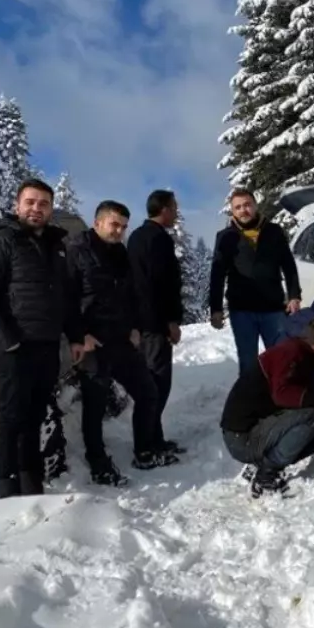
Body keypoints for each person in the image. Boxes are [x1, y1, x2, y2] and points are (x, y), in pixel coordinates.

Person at [0, 178, 82, 499]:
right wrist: (6, 339)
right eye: (31, 202)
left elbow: (67, 297)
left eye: (44, 204)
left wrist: (75, 337)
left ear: (50, 210)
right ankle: (7, 489)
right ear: (18, 205)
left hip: (46, 345)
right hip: (15, 347)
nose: (37, 209)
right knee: (11, 418)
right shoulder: (0, 243)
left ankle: (31, 483)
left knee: (35, 416)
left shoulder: (55, 247)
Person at [68, 200, 172, 484]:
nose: (119, 231)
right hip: (93, 342)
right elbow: (65, 299)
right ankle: (99, 464)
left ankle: (144, 450)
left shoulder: (120, 253)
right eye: (114, 224)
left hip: (121, 339)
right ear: (97, 222)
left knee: (148, 393)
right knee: (95, 405)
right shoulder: (76, 252)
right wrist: (79, 335)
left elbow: (131, 294)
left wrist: (135, 326)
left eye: (123, 227)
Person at [220, 317, 314, 498]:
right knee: (313, 418)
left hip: (253, 428)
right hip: (241, 437)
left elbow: (301, 401)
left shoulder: (301, 355)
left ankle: (262, 462)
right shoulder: (292, 354)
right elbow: (282, 394)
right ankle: (266, 473)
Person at [209, 188, 302, 374]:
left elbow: (288, 265)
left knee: (281, 359)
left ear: (255, 205)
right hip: (242, 311)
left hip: (273, 308)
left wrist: (294, 295)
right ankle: (251, 401)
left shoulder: (274, 231)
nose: (244, 210)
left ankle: (281, 399)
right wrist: (216, 309)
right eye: (238, 207)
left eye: (247, 205)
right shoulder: (226, 237)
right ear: (232, 212)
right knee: (248, 363)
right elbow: (217, 274)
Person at [126, 189, 185, 458]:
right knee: (155, 387)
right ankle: (145, 448)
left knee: (154, 386)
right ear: (164, 209)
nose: (176, 212)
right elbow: (158, 286)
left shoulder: (138, 236)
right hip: (154, 326)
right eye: (174, 207)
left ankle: (155, 440)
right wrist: (168, 322)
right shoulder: (157, 239)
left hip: (147, 322)